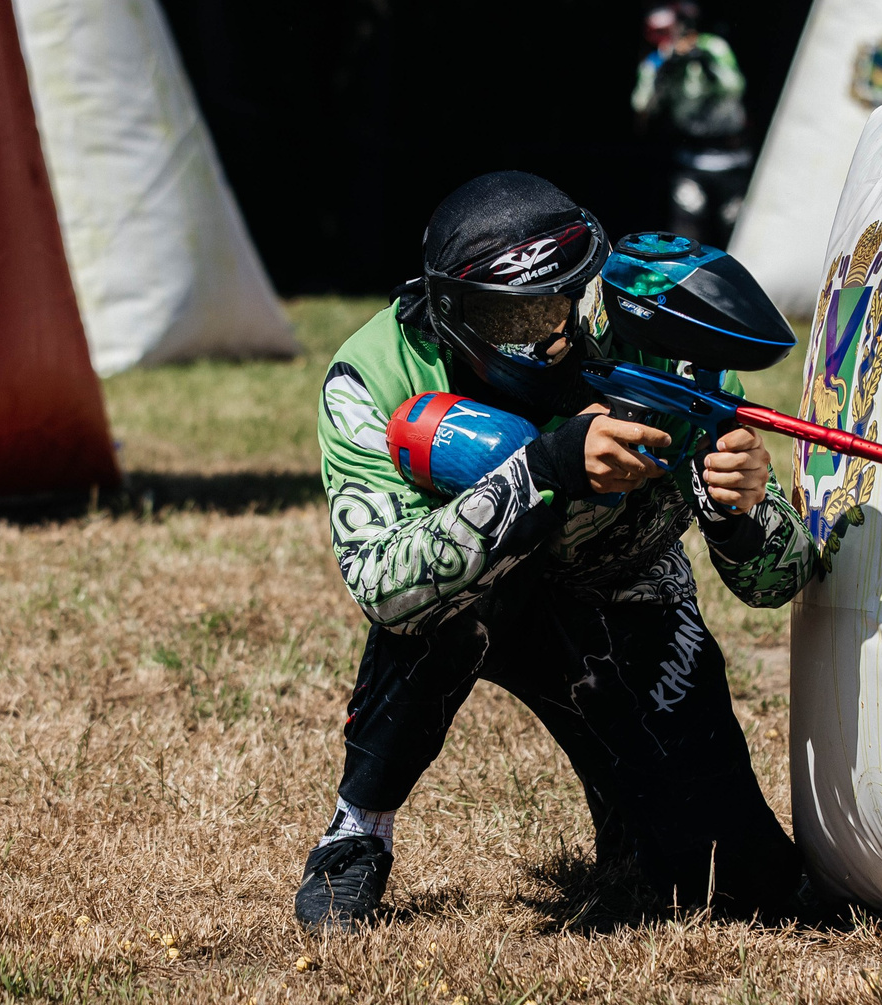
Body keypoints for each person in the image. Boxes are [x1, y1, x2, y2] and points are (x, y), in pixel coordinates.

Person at [296, 171, 831, 933]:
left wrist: (737, 511)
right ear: (449, 311)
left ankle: (627, 808)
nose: (546, 334)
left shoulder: (659, 335)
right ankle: (357, 831)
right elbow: (386, 586)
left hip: (624, 594)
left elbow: (777, 582)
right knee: (438, 611)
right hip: (475, 602)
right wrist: (546, 469)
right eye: (507, 317)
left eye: (563, 300)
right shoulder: (375, 373)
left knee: (732, 882)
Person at [631, 0, 751, 245]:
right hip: (691, 159)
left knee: (736, 223)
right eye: (658, 33)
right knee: (687, 224)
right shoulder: (656, 61)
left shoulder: (713, 47)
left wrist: (705, 63)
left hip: (731, 156)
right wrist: (664, 73)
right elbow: (641, 107)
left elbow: (735, 87)